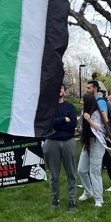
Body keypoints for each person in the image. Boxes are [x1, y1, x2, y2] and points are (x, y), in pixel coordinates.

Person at [42, 84, 78, 212]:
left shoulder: (70, 107)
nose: (59, 90)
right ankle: (55, 198)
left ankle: (72, 200)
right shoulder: (48, 107)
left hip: (69, 141)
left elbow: (73, 124)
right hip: (52, 142)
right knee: (54, 175)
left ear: (65, 92)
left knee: (71, 173)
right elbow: (47, 123)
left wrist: (57, 122)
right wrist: (63, 120)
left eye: (61, 89)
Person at [85, 81, 111, 191]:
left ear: (95, 88)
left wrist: (91, 119)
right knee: (90, 159)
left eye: (89, 88)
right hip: (93, 135)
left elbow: (105, 119)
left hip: (100, 135)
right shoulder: (92, 100)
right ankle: (88, 182)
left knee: (106, 160)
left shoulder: (100, 101)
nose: (87, 90)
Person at [77, 93, 107, 207]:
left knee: (94, 171)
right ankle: (88, 192)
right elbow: (83, 128)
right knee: (81, 170)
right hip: (88, 143)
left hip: (97, 143)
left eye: (82, 100)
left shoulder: (96, 113)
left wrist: (89, 120)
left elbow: (99, 128)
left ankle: (99, 199)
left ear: (88, 102)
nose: (81, 102)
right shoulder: (84, 112)